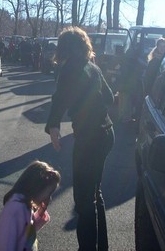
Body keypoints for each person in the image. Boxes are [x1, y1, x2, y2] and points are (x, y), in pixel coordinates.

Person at [45, 26, 115, 251]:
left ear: (63, 48)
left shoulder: (69, 69)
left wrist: (54, 125)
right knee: (94, 193)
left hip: (89, 139)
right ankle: (101, 246)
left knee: (84, 199)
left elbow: (59, 98)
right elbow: (110, 98)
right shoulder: (93, 67)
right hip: (107, 133)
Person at [0, 160, 61, 251]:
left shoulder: (25, 204)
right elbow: (4, 245)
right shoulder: (14, 210)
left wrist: (41, 211)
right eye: (48, 193)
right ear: (37, 188)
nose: (49, 198)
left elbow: (28, 231)